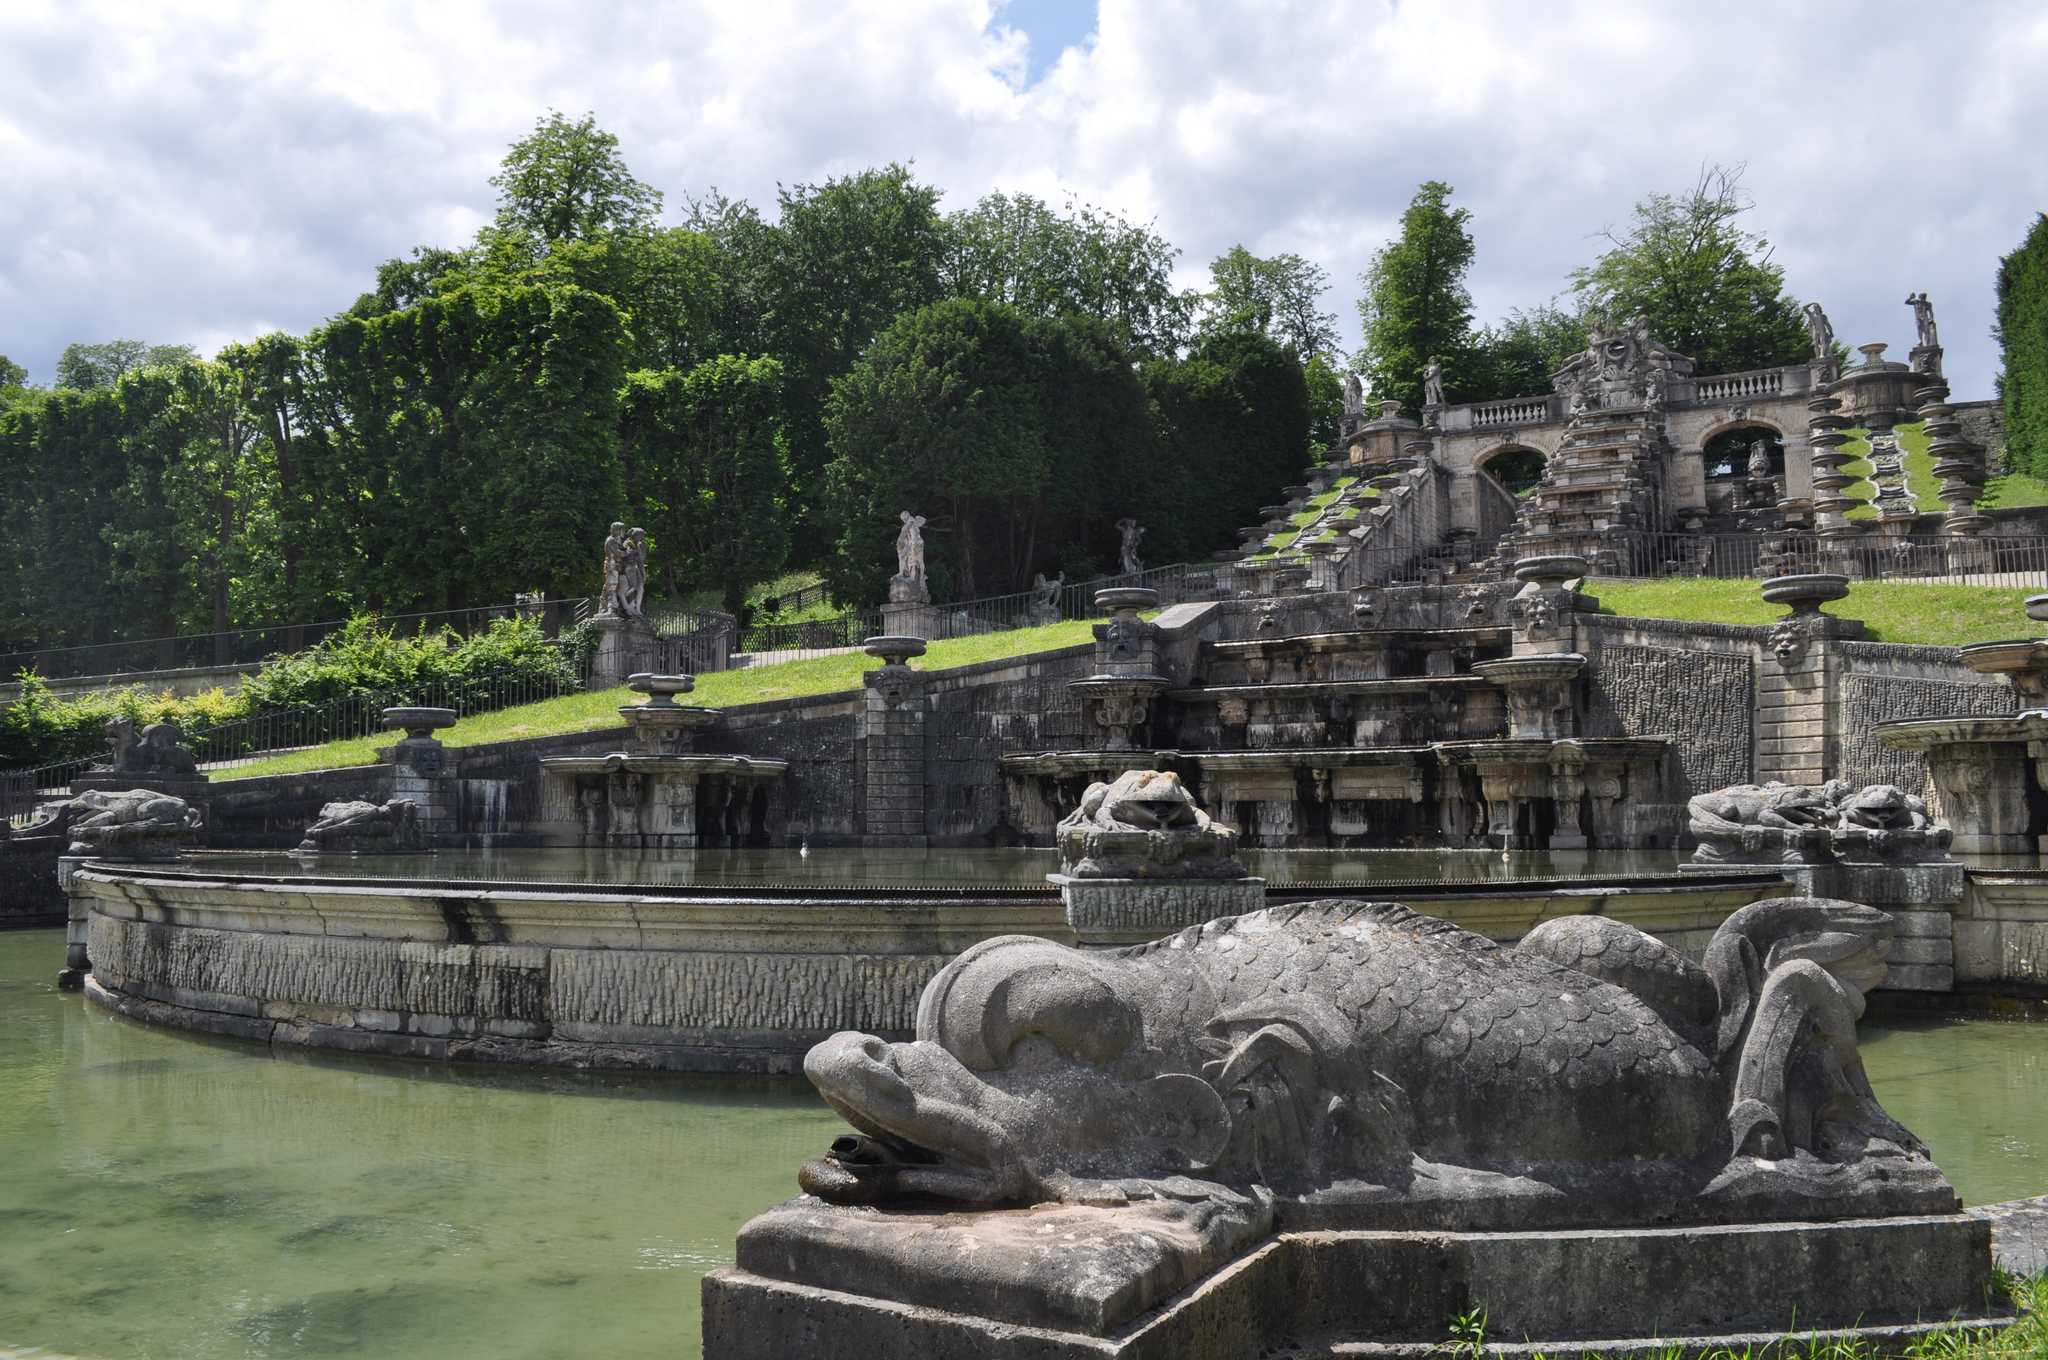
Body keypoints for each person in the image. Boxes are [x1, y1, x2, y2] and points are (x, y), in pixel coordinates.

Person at [620, 527, 648, 618]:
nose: (641, 537)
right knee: (634, 586)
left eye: (642, 535)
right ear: (634, 535)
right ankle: (626, 602)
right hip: (629, 567)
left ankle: (637, 608)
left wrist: (643, 572)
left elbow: (641, 560)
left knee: (640, 587)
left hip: (636, 567)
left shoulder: (638, 544)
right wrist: (635, 553)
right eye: (639, 535)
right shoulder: (628, 543)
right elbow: (626, 555)